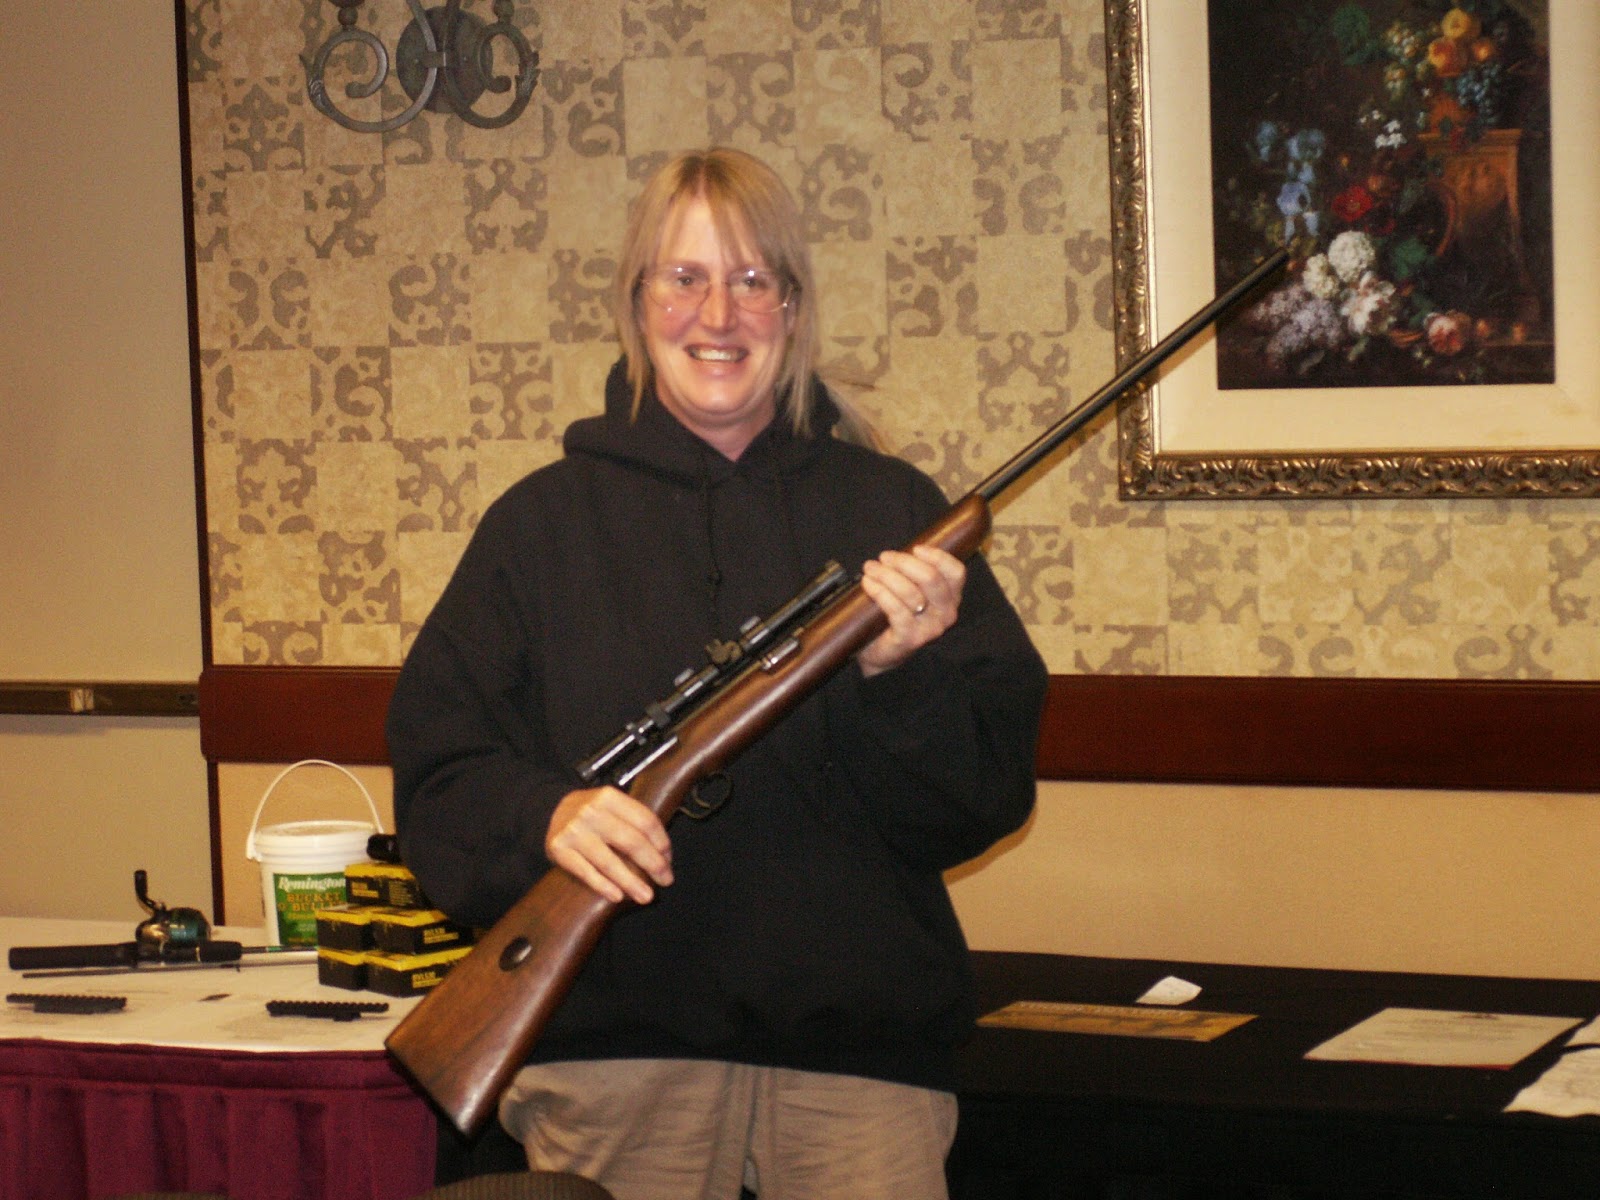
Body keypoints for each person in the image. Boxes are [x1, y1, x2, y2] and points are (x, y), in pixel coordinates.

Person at [387, 147, 1048, 1200]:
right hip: (615, 1063)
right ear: (635, 302)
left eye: (751, 280)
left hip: (860, 1070)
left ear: (793, 306)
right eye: (684, 278)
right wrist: (548, 816)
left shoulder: (894, 513)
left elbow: (982, 803)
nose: (718, 315)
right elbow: (441, 772)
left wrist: (900, 678)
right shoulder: (538, 527)